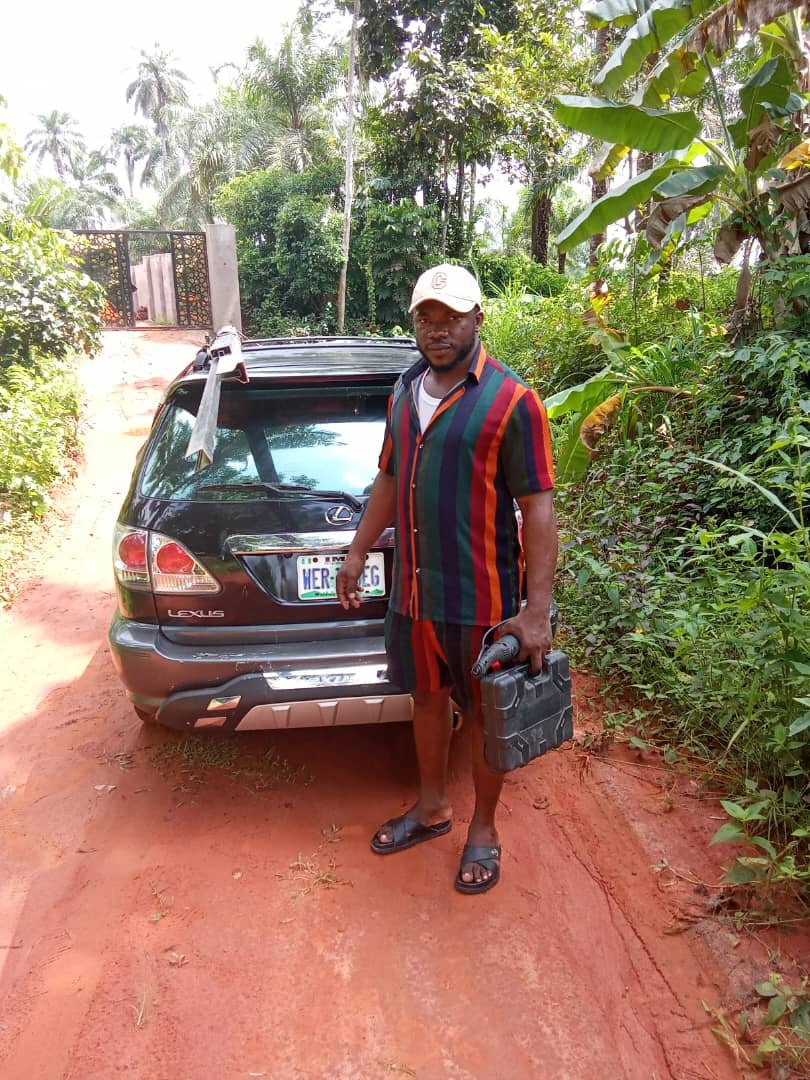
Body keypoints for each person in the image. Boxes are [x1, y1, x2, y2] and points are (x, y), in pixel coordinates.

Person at [336, 263, 557, 895]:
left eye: (452, 317)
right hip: (414, 595)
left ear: (478, 320)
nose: (439, 330)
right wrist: (357, 552)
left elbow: (538, 506)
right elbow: (386, 478)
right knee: (427, 701)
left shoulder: (513, 403)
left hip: (482, 599)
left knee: (486, 717)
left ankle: (483, 829)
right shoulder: (404, 392)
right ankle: (432, 808)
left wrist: (535, 612)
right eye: (427, 318)